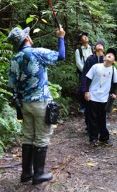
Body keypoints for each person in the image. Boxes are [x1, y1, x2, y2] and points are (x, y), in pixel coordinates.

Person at [8, 26, 65, 185]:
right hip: (40, 103)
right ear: (27, 38)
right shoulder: (36, 52)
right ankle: (38, 174)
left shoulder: (14, 59)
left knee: (28, 136)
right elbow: (61, 56)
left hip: (24, 105)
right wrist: (61, 37)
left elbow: (12, 85)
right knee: (41, 137)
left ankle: (26, 173)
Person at [84, 48, 117, 147]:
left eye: (111, 56)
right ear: (104, 58)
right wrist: (86, 91)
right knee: (92, 118)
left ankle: (104, 138)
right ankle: (93, 138)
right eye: (108, 54)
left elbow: (115, 83)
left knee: (102, 118)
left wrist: (113, 92)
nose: (109, 55)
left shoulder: (113, 69)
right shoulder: (95, 67)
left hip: (104, 98)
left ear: (114, 61)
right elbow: (88, 79)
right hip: (93, 96)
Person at [80, 39, 105, 133]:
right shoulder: (90, 59)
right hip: (90, 88)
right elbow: (85, 74)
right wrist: (84, 89)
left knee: (100, 109)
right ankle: (89, 127)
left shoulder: (106, 60)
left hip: (102, 89)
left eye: (101, 45)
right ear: (94, 49)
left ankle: (99, 127)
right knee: (89, 109)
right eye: (97, 45)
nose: (99, 46)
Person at [75, 31, 93, 113]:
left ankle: (92, 105)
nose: (85, 37)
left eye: (86, 35)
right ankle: (83, 106)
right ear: (80, 40)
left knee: (92, 88)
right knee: (83, 89)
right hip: (83, 73)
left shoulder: (92, 48)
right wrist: (86, 72)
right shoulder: (78, 50)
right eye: (83, 36)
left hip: (94, 72)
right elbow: (78, 63)